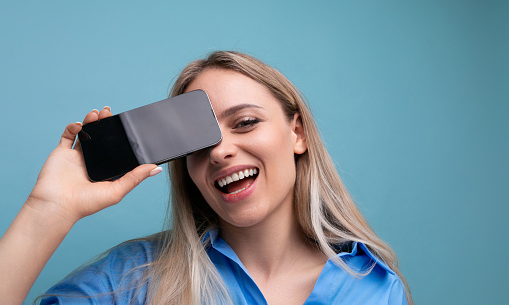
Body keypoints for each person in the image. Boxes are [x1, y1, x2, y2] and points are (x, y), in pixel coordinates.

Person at [0, 51, 412, 304]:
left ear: (297, 133)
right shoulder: (131, 281)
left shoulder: (375, 288)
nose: (218, 151)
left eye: (246, 122)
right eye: (198, 142)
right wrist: (47, 211)